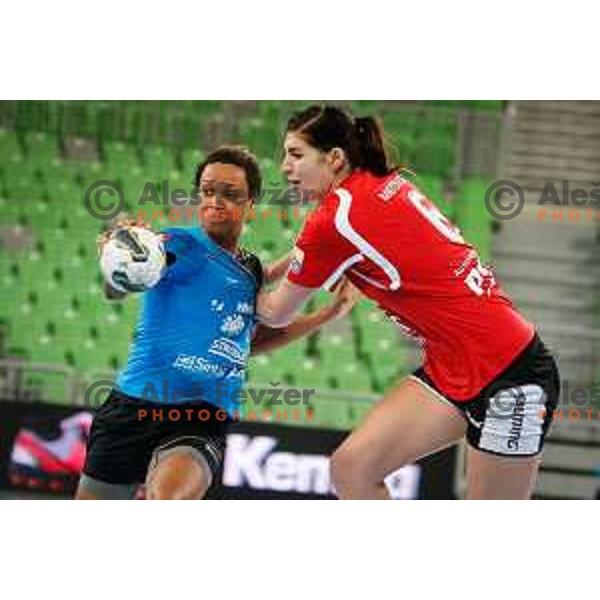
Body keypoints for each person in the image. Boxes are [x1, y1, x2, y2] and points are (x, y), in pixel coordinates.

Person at [256, 105, 560, 500]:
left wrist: (228, 283)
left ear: (334, 158)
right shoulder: (375, 182)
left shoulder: (335, 219)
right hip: (454, 367)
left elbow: (277, 313)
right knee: (352, 468)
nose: (284, 167)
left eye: (296, 155)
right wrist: (258, 274)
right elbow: (310, 249)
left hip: (512, 376)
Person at [75, 145, 356, 500]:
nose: (215, 201)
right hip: (132, 408)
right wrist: (119, 261)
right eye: (208, 191)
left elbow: (249, 343)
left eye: (230, 194)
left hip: (202, 414)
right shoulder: (178, 244)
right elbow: (119, 288)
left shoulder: (251, 270)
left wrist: (328, 314)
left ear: (251, 203)